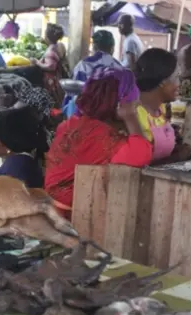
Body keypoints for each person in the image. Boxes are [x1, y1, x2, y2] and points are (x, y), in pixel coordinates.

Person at [45, 67, 152, 218]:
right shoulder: (101, 135)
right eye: (134, 100)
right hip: (71, 216)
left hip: (54, 208)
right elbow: (142, 154)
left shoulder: (72, 123)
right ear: (120, 103)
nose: (138, 103)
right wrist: (130, 117)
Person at [134, 48, 179, 161]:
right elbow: (138, 160)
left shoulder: (161, 108)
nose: (179, 83)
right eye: (176, 78)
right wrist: (176, 158)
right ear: (162, 82)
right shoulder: (134, 113)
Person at [64, 30, 122, 112]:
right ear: (112, 48)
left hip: (86, 114)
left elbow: (73, 93)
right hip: (111, 116)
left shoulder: (84, 65)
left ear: (94, 47)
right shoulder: (120, 67)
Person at [33, 23, 67, 106]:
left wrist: (37, 63)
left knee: (53, 101)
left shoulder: (50, 51)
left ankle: (55, 117)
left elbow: (51, 67)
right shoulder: (57, 46)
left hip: (52, 81)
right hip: (57, 78)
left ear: (47, 37)